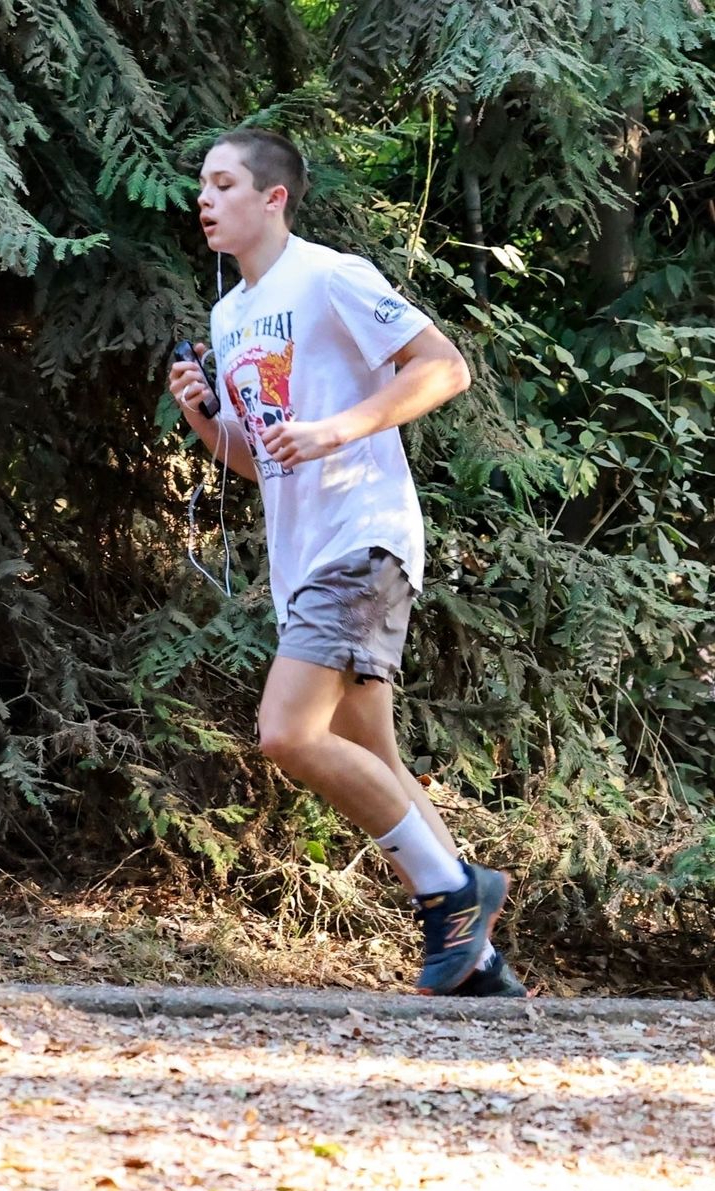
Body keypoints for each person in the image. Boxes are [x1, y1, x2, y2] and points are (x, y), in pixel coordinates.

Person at [169, 128, 525, 997]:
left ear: (273, 198)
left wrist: (339, 426)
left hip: (362, 537)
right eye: (202, 187)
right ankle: (477, 963)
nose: (205, 200)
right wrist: (205, 422)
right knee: (377, 755)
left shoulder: (330, 275)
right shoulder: (231, 315)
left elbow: (445, 368)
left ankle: (454, 891)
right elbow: (262, 460)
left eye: (223, 184)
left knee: (289, 733)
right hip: (306, 558)